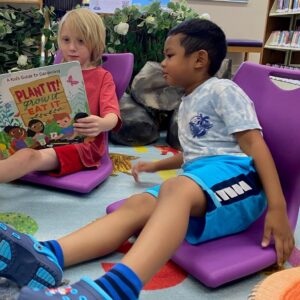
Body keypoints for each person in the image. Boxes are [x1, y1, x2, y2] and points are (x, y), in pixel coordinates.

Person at [0, 19, 294, 300]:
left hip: (241, 181)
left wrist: (278, 209)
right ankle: (49, 254)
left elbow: (255, 145)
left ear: (199, 59)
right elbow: (198, 152)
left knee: (174, 189)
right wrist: (156, 164)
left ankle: (118, 288)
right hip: (205, 176)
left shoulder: (223, 89)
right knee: (137, 204)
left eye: (169, 55)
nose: (163, 63)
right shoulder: (190, 98)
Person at [0, 8, 121, 181]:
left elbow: (113, 114)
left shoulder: (102, 77)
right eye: (66, 40)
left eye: (81, 41)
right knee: (8, 148)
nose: (72, 48)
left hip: (83, 146)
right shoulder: (53, 74)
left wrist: (102, 123)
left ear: (95, 43)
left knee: (28, 157)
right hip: (45, 140)